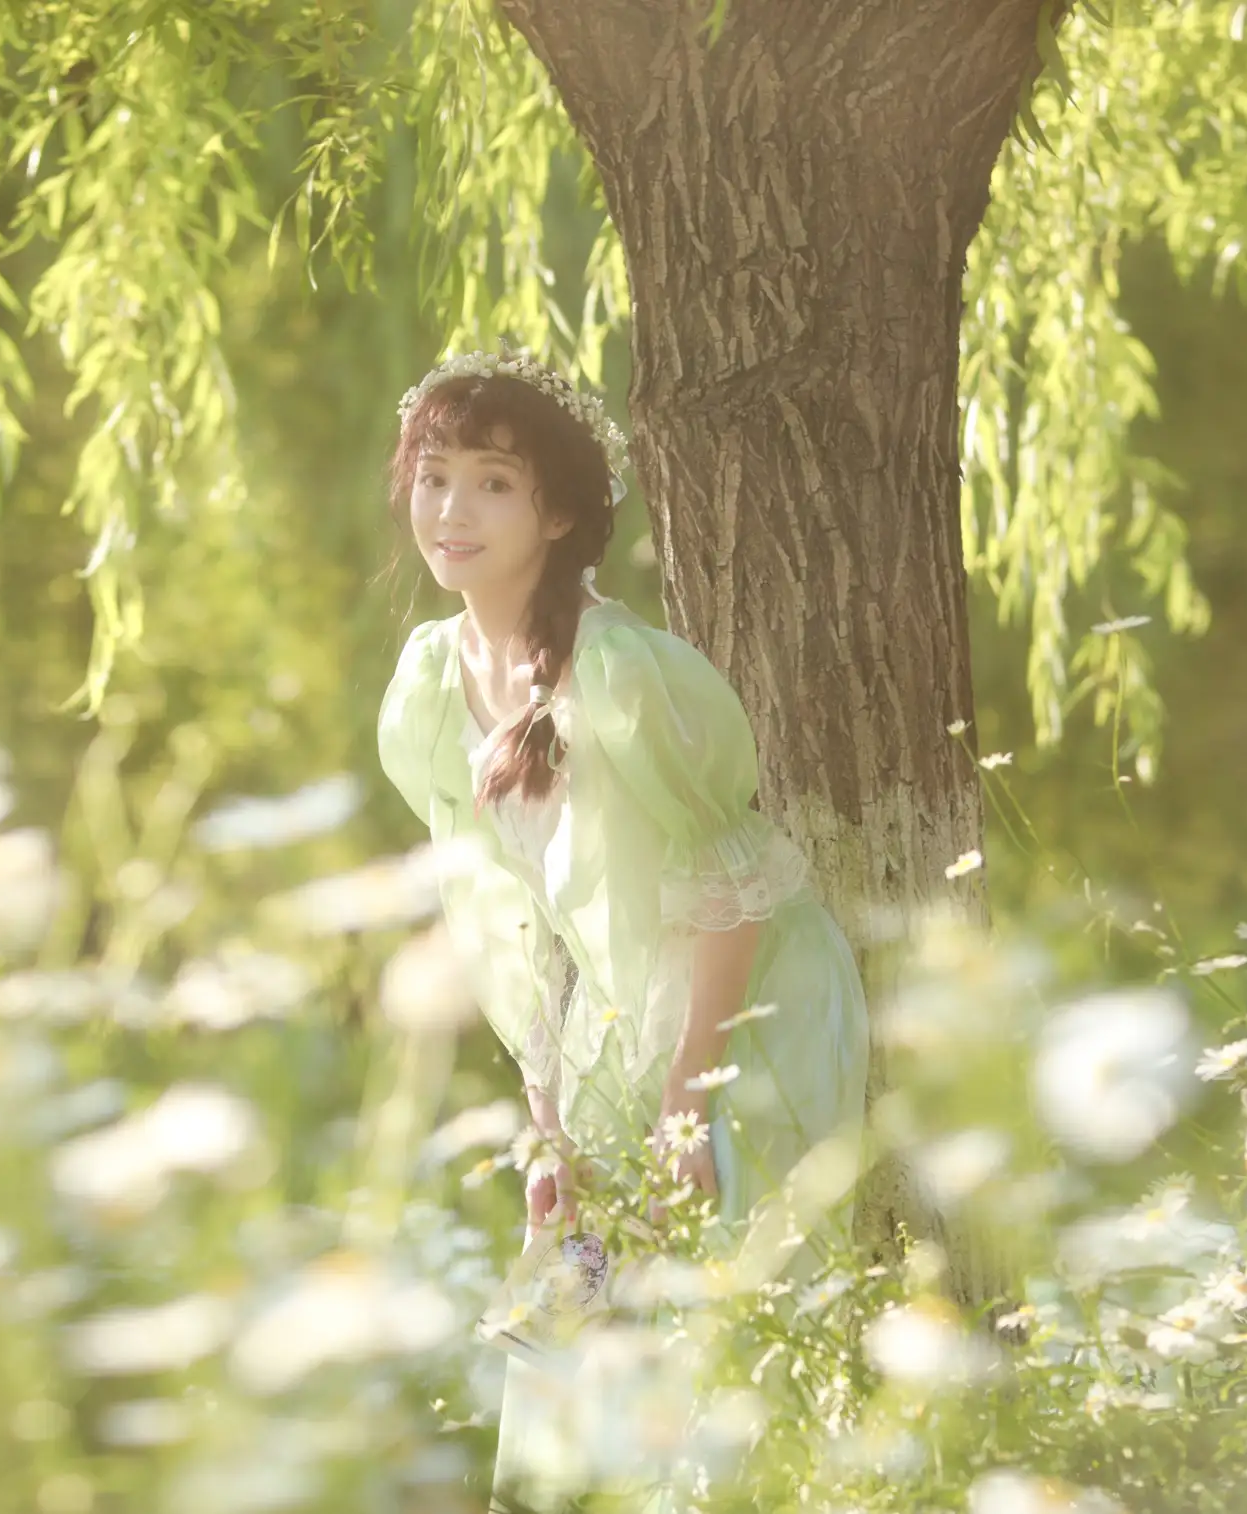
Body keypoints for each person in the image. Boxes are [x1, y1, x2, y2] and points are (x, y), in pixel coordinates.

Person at [372, 349, 871, 1510]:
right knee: (574, 1324)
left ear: (556, 513)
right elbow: (509, 918)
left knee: (720, 1342)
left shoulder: (625, 672)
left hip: (745, 1012)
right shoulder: (432, 681)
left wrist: (686, 1108)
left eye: (493, 482)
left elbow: (730, 889)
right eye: (434, 476)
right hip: (604, 1022)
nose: (452, 510)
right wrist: (548, 1121)